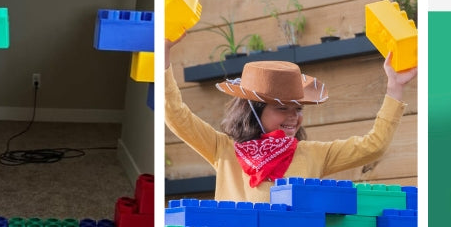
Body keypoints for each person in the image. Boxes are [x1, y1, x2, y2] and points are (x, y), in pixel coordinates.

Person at [164, 36, 416, 203]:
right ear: (253, 110)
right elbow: (176, 114)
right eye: (282, 108)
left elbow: (374, 146)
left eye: (298, 109)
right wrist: (163, 58)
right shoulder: (223, 149)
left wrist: (394, 88)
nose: (293, 118)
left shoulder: (314, 154)